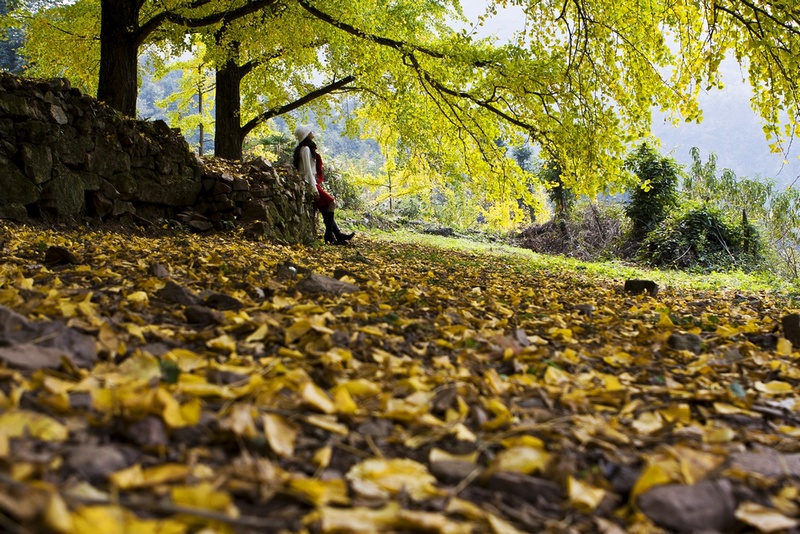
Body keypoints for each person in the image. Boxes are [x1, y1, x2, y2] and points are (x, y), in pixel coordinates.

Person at [293, 125, 354, 245]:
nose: (312, 132)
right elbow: (307, 171)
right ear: (306, 135)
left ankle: (337, 235)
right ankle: (329, 234)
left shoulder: (307, 148)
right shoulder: (305, 149)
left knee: (325, 210)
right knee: (331, 202)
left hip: (311, 182)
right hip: (308, 183)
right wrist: (314, 189)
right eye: (309, 131)